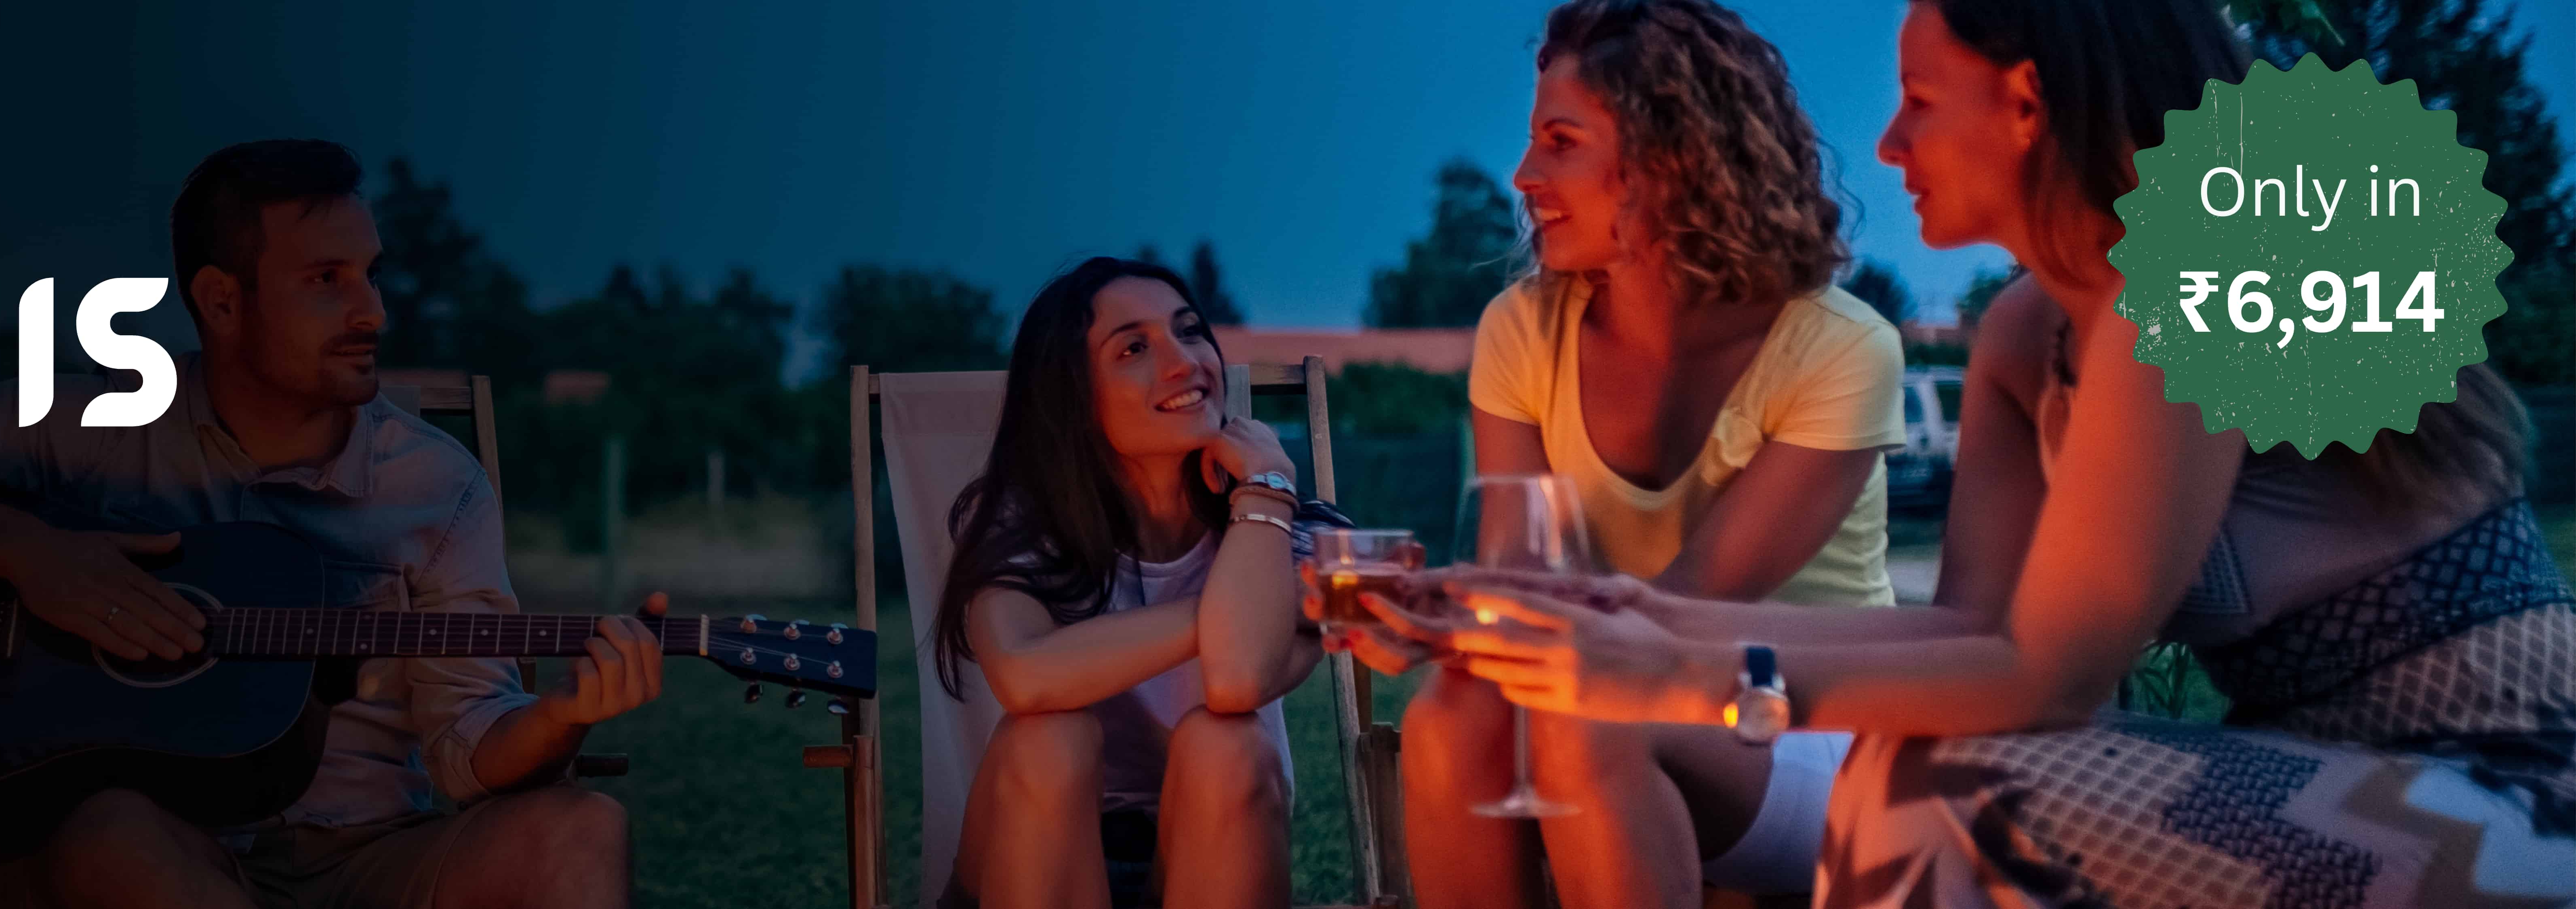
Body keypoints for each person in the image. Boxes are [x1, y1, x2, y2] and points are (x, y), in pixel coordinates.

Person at [1397, 1, 2576, 905]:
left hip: (2508, 791)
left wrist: (1677, 674)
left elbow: (2047, 676)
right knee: (1915, 766)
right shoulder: (2025, 332)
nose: (1887, 141)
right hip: (2313, 769)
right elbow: (1972, 626)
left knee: (1930, 793)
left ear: (2025, 103)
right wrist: (1643, 621)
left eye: (1919, 100)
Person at [0, 139, 654, 909]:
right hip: (166, 852)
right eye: (327, 281)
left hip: (375, 856)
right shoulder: (99, 428)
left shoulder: (437, 483)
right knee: (107, 832)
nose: (374, 312)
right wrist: (30, 556)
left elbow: (470, 745)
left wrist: (562, 715)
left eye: (372, 274)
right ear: (223, 302)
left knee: (582, 828)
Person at [1338, 1, 1905, 905]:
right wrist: (1445, 613)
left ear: (1672, 159)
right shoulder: (1523, 329)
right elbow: (1522, 581)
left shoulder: (1840, 347)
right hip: (1610, 684)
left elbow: (1692, 606)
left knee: (1589, 709)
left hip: (1811, 716)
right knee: (1452, 713)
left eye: (1561, 143)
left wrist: (1484, 617)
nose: (1523, 176)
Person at [937, 256, 1340, 909]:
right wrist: (1233, 612)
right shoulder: (1020, 527)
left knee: (1228, 743)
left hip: (1210, 853)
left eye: (1189, 331)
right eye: (1134, 348)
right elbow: (1024, 674)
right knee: (1047, 737)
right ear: (1072, 398)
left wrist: (1267, 489)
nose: (1185, 362)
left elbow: (1238, 677)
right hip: (1031, 855)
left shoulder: (1284, 531)